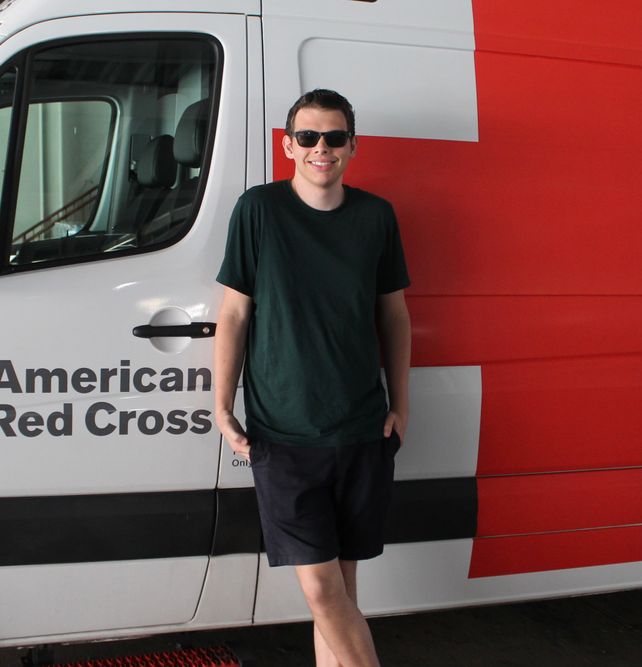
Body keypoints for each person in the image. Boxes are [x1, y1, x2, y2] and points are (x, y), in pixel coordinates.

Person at [214, 89, 411, 667]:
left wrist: (402, 403)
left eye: (334, 137)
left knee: (342, 589)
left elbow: (394, 315)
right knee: (322, 590)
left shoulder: (376, 216)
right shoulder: (259, 210)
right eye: (308, 137)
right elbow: (233, 313)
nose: (320, 148)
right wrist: (222, 404)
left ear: (353, 146)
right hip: (284, 433)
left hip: (361, 427)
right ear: (288, 145)